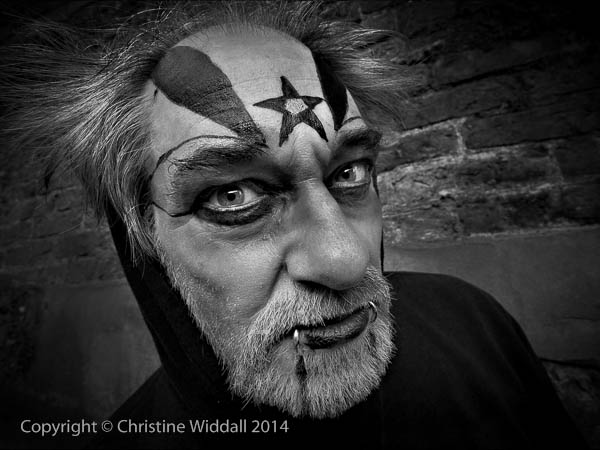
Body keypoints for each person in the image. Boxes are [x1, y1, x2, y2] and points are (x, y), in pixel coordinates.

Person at [0, 2, 587, 449]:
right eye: (233, 196)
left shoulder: (476, 322)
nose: (346, 260)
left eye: (350, 173)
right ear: (144, 240)